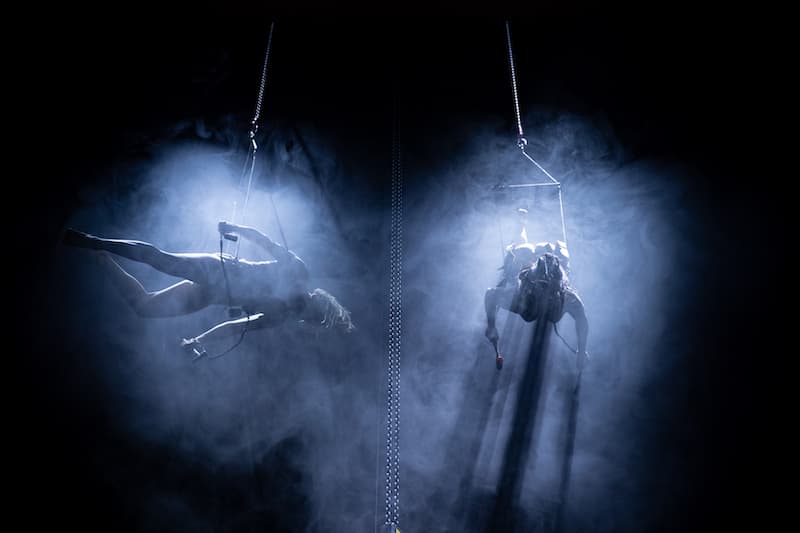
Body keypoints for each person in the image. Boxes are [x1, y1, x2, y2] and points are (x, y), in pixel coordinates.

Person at [62, 222, 354, 358]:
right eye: (315, 316)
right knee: (162, 260)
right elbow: (264, 241)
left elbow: (233, 327)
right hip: (220, 270)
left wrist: (199, 339)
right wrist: (234, 228)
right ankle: (92, 240)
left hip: (210, 295)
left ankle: (102, 258)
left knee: (144, 308)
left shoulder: (280, 316)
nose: (306, 319)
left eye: (311, 321)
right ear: (318, 303)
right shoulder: (299, 272)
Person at [485, 252, 588, 371]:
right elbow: (491, 294)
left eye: (548, 293)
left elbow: (581, 318)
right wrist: (491, 325)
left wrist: (582, 350)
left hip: (537, 293)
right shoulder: (521, 296)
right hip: (529, 290)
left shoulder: (566, 298)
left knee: (531, 311)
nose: (544, 297)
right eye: (541, 291)